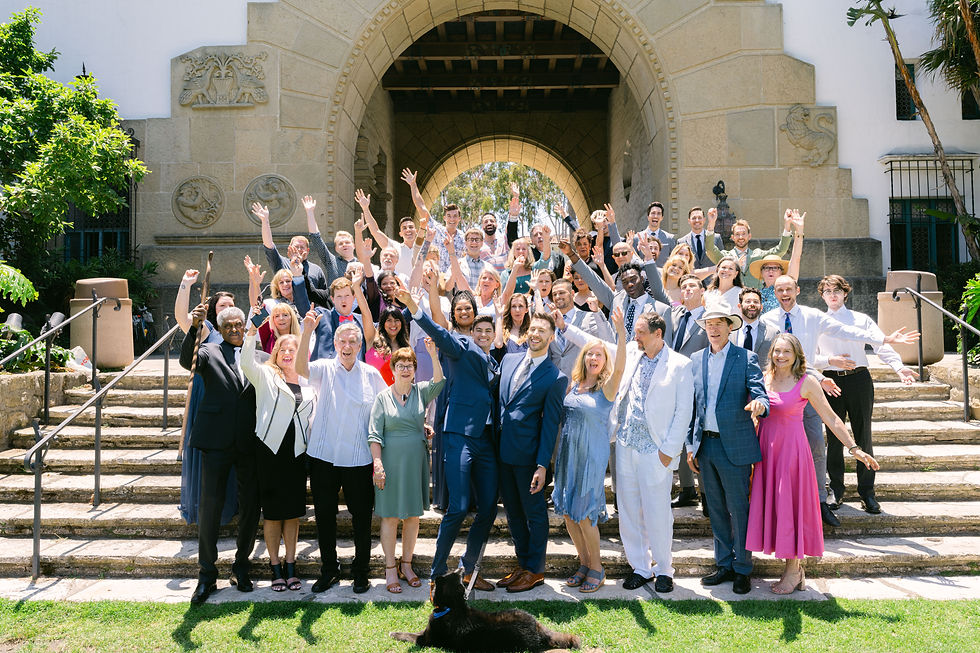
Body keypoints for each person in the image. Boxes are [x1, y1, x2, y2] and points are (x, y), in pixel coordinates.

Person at [760, 274, 919, 527]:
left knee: (839, 439)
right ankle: (826, 492)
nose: (785, 293)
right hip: (800, 385)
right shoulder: (767, 320)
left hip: (834, 383)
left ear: (798, 290)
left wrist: (885, 342)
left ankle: (849, 496)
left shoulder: (816, 317)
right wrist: (828, 365)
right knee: (818, 442)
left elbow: (849, 331)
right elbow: (779, 355)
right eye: (780, 289)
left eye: (789, 288)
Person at [746, 334, 880, 593]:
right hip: (766, 453)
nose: (781, 356)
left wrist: (854, 448)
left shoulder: (806, 382)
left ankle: (793, 571)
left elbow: (832, 418)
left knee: (790, 509)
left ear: (797, 355)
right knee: (776, 510)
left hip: (792, 455)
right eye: (777, 351)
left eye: (787, 351)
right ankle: (795, 571)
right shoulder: (765, 379)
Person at [397, 288, 501, 592]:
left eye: (488, 331)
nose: (482, 334)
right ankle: (437, 571)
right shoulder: (462, 346)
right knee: (458, 506)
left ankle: (469, 569)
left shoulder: (495, 363)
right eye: (478, 329)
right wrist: (415, 308)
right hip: (459, 436)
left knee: (489, 508)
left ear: (495, 335)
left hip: (486, 441)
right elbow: (441, 335)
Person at [297, 318, 388, 594]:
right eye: (342, 341)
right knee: (325, 516)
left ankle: (361, 571)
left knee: (361, 517)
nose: (347, 346)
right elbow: (299, 368)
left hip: (359, 458)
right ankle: (329, 570)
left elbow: (388, 405)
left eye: (352, 342)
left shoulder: (371, 374)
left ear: (360, 345)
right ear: (335, 344)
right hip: (324, 456)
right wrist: (307, 332)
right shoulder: (324, 368)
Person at [814, 274, 917, 514]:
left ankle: (867, 493)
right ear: (822, 295)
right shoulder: (817, 322)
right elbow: (809, 355)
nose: (832, 295)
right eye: (827, 291)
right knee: (834, 438)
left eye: (837, 290)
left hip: (860, 380)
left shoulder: (860, 319)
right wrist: (829, 361)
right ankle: (836, 491)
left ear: (845, 293)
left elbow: (881, 345)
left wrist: (899, 368)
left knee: (864, 436)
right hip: (830, 382)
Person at [179, 304, 261, 605]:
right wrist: (193, 328)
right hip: (215, 442)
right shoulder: (209, 351)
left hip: (249, 443)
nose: (236, 330)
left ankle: (241, 567)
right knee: (210, 508)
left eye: (239, 325)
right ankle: (206, 574)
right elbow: (186, 360)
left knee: (251, 506)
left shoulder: (256, 352)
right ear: (221, 328)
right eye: (229, 326)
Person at [687, 301, 769, 595]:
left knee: (739, 509)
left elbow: (760, 393)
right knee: (717, 510)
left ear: (730, 326)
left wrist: (760, 404)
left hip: (734, 447)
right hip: (705, 446)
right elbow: (692, 406)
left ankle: (743, 568)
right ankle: (723, 564)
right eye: (709, 324)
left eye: (719, 323)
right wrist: (689, 445)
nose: (713, 329)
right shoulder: (695, 360)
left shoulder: (745, 358)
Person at [610, 311, 694, 593]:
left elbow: (684, 411)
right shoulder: (633, 355)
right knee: (629, 509)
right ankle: (641, 567)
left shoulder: (680, 365)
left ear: (658, 334)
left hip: (656, 450)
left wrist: (668, 451)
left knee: (658, 512)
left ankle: (664, 569)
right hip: (626, 445)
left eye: (641, 332)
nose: (637, 337)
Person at [553, 308, 627, 593]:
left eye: (599, 354)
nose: (593, 357)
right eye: (589, 353)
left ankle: (597, 567)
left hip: (591, 457)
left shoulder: (605, 389)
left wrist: (620, 334)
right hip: (568, 455)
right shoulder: (574, 385)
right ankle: (583, 563)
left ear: (604, 361)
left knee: (584, 513)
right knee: (570, 514)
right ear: (582, 358)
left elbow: (620, 367)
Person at [495, 312, 567, 593]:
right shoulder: (509, 360)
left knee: (534, 515)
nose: (535, 334)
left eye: (542, 331)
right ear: (527, 333)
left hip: (528, 458)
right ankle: (523, 564)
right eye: (532, 329)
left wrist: (542, 465)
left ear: (551, 338)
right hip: (502, 452)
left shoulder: (555, 377)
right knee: (512, 513)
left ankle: (535, 570)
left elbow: (550, 425)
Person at [241, 321, 314, 592]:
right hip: (270, 451)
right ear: (275, 353)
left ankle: (291, 566)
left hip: (297, 453)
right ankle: (275, 568)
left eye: (292, 350)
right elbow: (246, 362)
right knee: (272, 514)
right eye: (282, 349)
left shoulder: (308, 381)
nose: (287, 354)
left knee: (293, 513)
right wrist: (251, 332)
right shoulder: (266, 376)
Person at [369, 342, 446, 593]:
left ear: (414, 369)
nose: (405, 369)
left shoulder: (421, 392)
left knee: (412, 517)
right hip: (390, 464)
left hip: (415, 463)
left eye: (410, 366)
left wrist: (433, 355)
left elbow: (440, 381)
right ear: (392, 368)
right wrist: (377, 464)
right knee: (390, 516)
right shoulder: (382, 397)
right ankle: (390, 568)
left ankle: (408, 565)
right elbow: (374, 434)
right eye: (400, 365)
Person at [173, 274, 238, 526]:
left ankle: (232, 503)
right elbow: (182, 318)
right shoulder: (206, 329)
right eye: (223, 305)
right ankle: (205, 505)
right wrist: (186, 286)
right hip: (206, 394)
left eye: (232, 306)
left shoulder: (236, 331)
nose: (228, 309)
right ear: (213, 310)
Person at [704, 208, 795, 289]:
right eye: (737, 234)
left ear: (749, 236)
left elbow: (780, 250)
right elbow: (710, 250)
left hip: (755, 300)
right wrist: (711, 225)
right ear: (732, 237)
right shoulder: (726, 257)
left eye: (744, 234)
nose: (740, 237)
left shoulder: (759, 255)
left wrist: (787, 225)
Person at [253, 199, 327, 290]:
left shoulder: (317, 270)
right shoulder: (281, 263)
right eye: (296, 247)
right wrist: (265, 221)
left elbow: (323, 297)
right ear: (290, 248)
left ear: (307, 251)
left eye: (302, 247)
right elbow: (269, 245)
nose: (299, 249)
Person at [354, 188, 423, 279]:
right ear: (400, 233)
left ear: (416, 231)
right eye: (404, 228)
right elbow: (375, 231)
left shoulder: (424, 249)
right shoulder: (394, 247)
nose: (408, 230)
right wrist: (365, 209)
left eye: (411, 227)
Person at [748, 212, 805, 312]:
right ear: (761, 272)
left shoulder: (786, 287)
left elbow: (796, 258)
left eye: (775, 268)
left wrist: (799, 232)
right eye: (767, 268)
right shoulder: (755, 294)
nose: (771, 271)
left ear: (781, 272)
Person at [299, 195, 355, 286]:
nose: (344, 245)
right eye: (340, 244)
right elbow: (316, 239)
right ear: (336, 249)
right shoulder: (332, 262)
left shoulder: (362, 264)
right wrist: (310, 212)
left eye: (348, 242)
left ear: (354, 245)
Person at [366, 306, 412, 386]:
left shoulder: (406, 347)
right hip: (372, 394)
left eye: (397, 320)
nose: (393, 324)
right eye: (389, 320)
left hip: (397, 395)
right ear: (383, 323)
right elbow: (365, 312)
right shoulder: (373, 339)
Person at [731, 287, 780, 360]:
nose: (752, 304)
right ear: (739, 306)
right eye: (748, 301)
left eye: (756, 302)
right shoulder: (729, 332)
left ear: (761, 307)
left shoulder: (773, 333)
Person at [636, 201, 675, 266]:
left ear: (662, 217)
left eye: (659, 213)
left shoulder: (669, 238)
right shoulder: (637, 238)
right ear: (648, 216)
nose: (656, 216)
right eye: (653, 213)